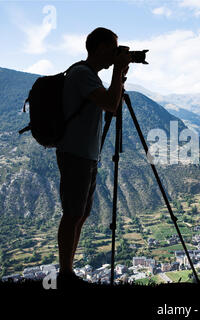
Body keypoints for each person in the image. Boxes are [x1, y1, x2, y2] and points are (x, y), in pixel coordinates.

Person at [55, 27, 130, 287]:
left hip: (86, 155)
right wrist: (118, 72)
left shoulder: (91, 77)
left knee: (81, 213)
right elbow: (111, 104)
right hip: (75, 153)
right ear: (100, 48)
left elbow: (114, 106)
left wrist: (120, 76)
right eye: (113, 49)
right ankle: (65, 273)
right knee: (72, 213)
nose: (115, 54)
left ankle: (68, 271)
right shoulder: (82, 74)